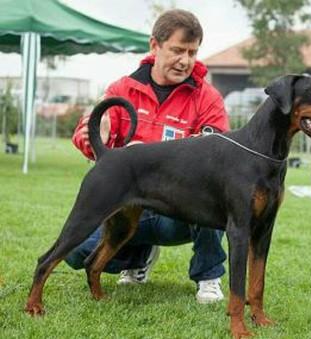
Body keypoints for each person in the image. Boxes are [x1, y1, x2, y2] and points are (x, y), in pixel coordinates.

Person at [65, 9, 229, 303]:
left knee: (215, 194)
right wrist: (92, 136)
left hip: (180, 209)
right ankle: (138, 257)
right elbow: (87, 134)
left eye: (192, 52)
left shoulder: (208, 98)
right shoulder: (122, 89)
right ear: (154, 46)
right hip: (127, 202)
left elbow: (218, 157)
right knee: (78, 252)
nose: (186, 61)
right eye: (177, 50)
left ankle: (209, 276)